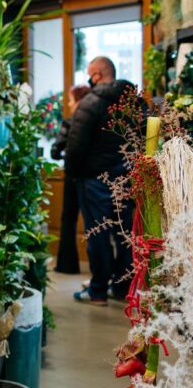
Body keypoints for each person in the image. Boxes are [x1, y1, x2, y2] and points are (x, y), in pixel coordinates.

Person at [64, 56, 137, 305]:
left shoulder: (90, 103)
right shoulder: (133, 101)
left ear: (96, 75)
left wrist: (73, 173)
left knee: (98, 235)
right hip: (126, 178)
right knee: (125, 235)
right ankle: (122, 287)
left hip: (93, 180)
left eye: (90, 74)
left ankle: (97, 291)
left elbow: (75, 145)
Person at [51, 83, 91, 274]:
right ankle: (100, 270)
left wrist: (63, 156)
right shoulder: (96, 122)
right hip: (92, 177)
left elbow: (55, 151)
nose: (68, 103)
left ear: (77, 100)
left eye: (70, 99)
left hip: (72, 176)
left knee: (68, 219)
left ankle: (67, 264)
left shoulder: (70, 122)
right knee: (94, 222)